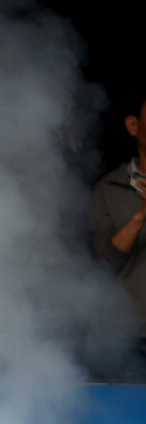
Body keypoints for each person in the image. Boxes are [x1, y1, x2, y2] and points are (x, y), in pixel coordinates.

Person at [90, 90, 146, 355]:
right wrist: (140, 217)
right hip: (132, 335)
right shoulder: (108, 189)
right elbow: (106, 259)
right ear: (133, 126)